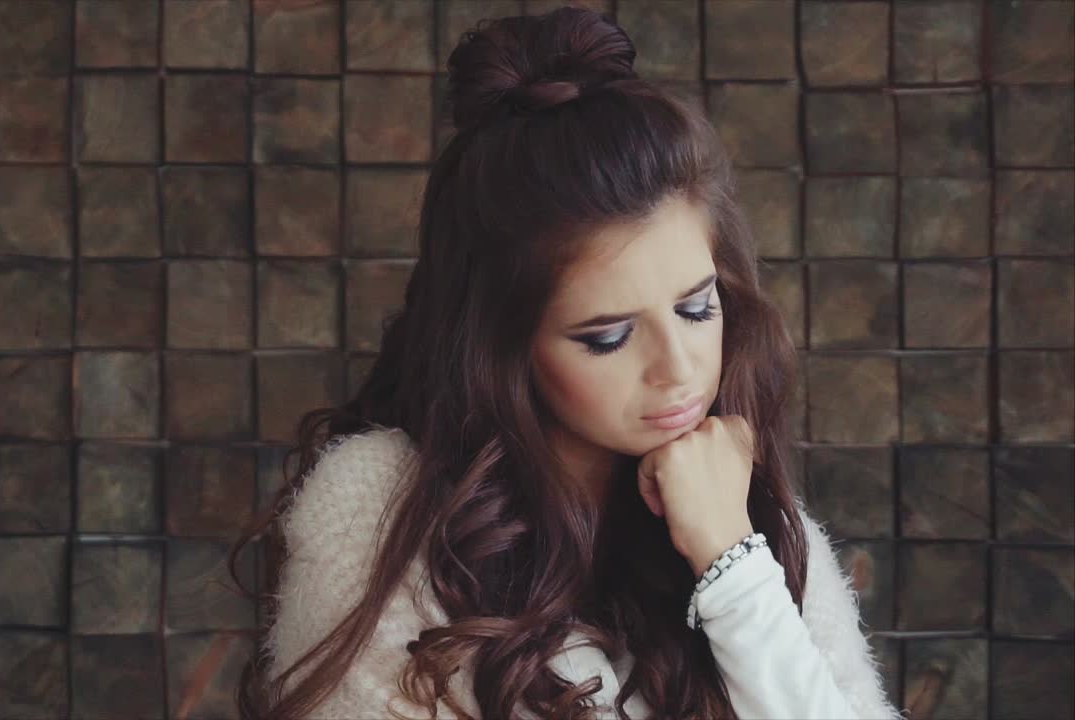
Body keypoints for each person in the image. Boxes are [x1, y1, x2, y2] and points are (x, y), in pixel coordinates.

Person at [227, 7, 907, 720]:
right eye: (608, 338)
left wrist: (730, 562)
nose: (677, 370)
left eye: (697, 309)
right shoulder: (383, 506)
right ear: (502, 343)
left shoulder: (740, 513)